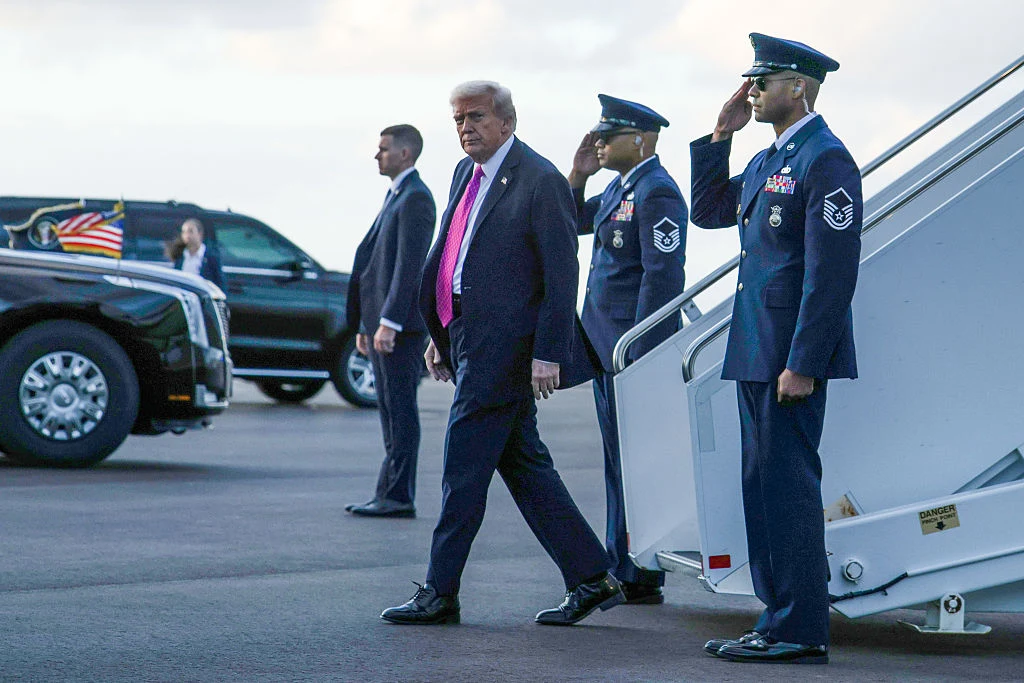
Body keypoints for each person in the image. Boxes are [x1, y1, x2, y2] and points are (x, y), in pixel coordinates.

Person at [380, 80, 623, 626]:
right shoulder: (466, 173)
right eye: (459, 119)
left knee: (463, 468)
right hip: (467, 336)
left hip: (508, 351)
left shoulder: (539, 181)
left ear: (507, 122)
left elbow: (563, 277)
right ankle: (591, 576)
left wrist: (548, 353)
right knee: (524, 464)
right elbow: (452, 256)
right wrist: (442, 336)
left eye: (477, 117)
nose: (466, 127)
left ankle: (440, 591)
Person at [690, 33, 862, 664]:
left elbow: (832, 273)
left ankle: (800, 628)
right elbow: (708, 211)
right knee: (761, 487)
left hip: (788, 357)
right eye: (752, 82)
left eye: (764, 82)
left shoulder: (826, 158)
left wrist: (805, 362)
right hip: (756, 347)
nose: (753, 92)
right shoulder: (770, 159)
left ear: (801, 87)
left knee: (788, 490)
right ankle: (776, 616)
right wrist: (719, 136)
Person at [567, 95, 687, 605]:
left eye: (607, 136)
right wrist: (578, 174)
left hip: (629, 355)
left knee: (635, 464)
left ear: (639, 140)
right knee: (617, 462)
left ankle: (638, 569)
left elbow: (662, 278)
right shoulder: (621, 188)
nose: (598, 142)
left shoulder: (657, 192)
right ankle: (626, 563)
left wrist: (640, 352)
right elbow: (571, 220)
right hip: (605, 349)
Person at [344, 125, 436, 518]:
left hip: (400, 328)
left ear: (405, 154)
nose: (377, 155)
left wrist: (390, 322)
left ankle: (398, 496)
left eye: (383, 149)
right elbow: (376, 264)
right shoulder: (397, 194)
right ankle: (388, 492)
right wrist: (367, 325)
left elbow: (408, 269)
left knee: (399, 410)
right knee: (388, 409)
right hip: (381, 323)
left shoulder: (416, 198)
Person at [168, 217, 224, 289]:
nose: (187, 235)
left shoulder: (211, 256)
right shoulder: (180, 256)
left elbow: (220, 282)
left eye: (191, 231)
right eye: (184, 232)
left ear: (200, 234)